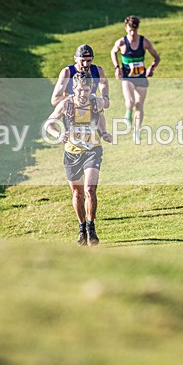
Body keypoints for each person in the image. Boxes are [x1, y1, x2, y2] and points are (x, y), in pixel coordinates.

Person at [45, 71, 113, 247]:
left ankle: (91, 227)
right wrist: (58, 134)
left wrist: (104, 133)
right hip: (72, 153)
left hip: (92, 150)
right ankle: (81, 227)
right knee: (77, 193)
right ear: (74, 89)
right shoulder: (66, 104)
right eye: (80, 90)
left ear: (91, 88)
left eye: (86, 89)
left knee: (90, 189)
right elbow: (49, 124)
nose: (83, 94)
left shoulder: (96, 102)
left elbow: (101, 116)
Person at [110, 15, 160, 141]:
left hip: (141, 77)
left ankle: (136, 132)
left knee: (139, 105)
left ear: (138, 28)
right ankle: (128, 114)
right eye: (130, 30)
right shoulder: (121, 42)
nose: (133, 33)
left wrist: (151, 68)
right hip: (127, 77)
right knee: (130, 101)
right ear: (126, 28)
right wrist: (117, 67)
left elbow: (156, 57)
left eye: (135, 30)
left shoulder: (144, 42)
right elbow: (113, 52)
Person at [50, 44, 110, 109]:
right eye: (82, 61)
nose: (85, 64)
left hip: (91, 111)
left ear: (92, 59)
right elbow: (55, 100)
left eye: (89, 61)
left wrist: (105, 97)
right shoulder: (67, 73)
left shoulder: (98, 71)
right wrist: (78, 99)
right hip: (71, 113)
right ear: (75, 59)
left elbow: (104, 82)